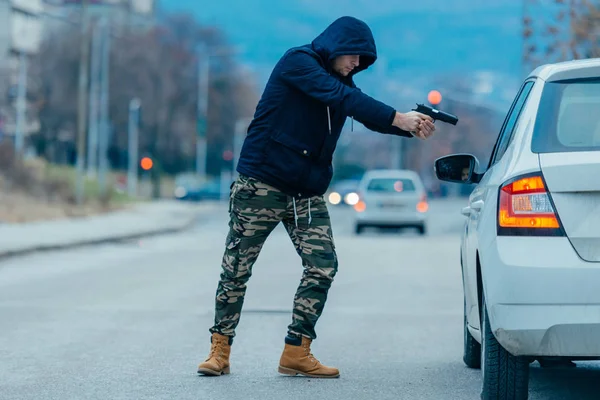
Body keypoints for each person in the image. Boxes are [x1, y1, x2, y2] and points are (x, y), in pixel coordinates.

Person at [197, 15, 436, 379]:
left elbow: (358, 107)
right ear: (336, 45)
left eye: (363, 60)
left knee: (323, 266)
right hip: (261, 183)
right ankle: (220, 350)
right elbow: (342, 97)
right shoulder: (298, 63)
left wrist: (409, 124)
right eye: (354, 56)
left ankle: (296, 350)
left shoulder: (342, 83)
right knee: (237, 269)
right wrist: (397, 117)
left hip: (306, 192)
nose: (357, 64)